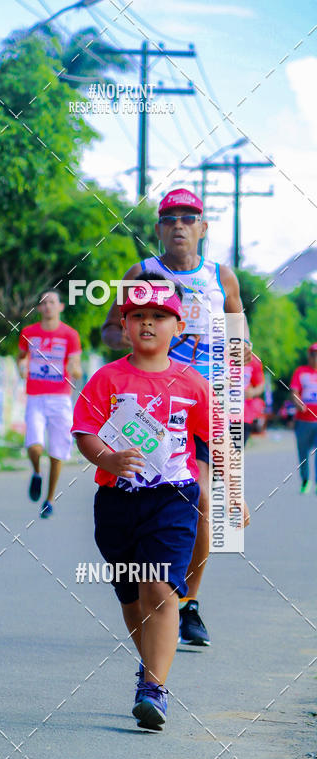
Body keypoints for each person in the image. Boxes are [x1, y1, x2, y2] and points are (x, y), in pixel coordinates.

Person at [72, 282, 226, 730]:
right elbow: (85, 431)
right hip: (117, 502)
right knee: (131, 595)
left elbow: (217, 439)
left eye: (159, 316)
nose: (148, 323)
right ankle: (150, 667)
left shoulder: (192, 382)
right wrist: (108, 458)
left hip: (174, 498)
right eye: (138, 316)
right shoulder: (108, 378)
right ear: (124, 325)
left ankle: (154, 688)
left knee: (159, 588)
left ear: (178, 327)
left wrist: (235, 494)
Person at [101, 188, 251, 647]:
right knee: (150, 502)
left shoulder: (221, 276)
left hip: (205, 401)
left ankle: (188, 603)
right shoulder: (142, 273)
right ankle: (155, 590)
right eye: (170, 219)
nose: (179, 225)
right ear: (159, 229)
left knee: (205, 501)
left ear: (203, 228)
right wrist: (139, 336)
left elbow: (238, 327)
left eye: (189, 218)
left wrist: (240, 348)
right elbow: (109, 331)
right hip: (151, 405)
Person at [18, 291, 82, 518]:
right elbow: (21, 356)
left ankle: (50, 498)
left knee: (57, 450)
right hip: (35, 396)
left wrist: (75, 370)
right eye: (43, 303)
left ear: (60, 307)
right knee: (34, 445)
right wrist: (22, 365)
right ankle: (36, 472)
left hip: (60, 398)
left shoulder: (70, 335)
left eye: (52, 302)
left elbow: (76, 364)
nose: (48, 306)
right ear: (39, 309)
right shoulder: (28, 332)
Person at [290, 344, 317, 493]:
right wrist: (298, 402)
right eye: (313, 354)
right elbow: (294, 391)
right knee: (303, 452)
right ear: (309, 356)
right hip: (303, 420)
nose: (315, 358)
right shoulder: (301, 372)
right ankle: (305, 480)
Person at [243, 353, 265, 444]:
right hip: (220, 412)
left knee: (235, 453)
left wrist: (253, 392)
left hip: (243, 415)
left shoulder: (253, 361)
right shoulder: (219, 355)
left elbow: (260, 385)